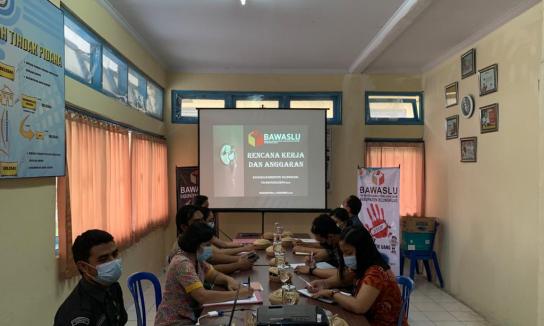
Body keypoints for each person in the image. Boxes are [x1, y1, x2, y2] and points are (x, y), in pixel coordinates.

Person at [155, 222, 253, 325]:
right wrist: (237, 294)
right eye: (207, 245)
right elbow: (203, 296)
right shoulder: (182, 264)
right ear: (196, 244)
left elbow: (214, 275)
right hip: (175, 322)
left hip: (190, 318)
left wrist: (229, 281)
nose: (210, 249)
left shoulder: (197, 259)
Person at [308, 227, 405, 326]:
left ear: (363, 251)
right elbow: (343, 279)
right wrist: (324, 283)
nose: (346, 257)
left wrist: (332, 294)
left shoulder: (375, 273)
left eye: (349, 253)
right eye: (343, 253)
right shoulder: (362, 266)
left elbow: (358, 306)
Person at [54, 230, 127, 326]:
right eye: (103, 259)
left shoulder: (113, 287)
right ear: (84, 267)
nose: (113, 262)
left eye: (114, 254)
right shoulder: (78, 314)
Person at [174, 205, 254, 274]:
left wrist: (240, 259)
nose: (203, 224)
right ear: (184, 227)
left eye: (203, 220)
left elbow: (211, 257)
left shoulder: (195, 241)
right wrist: (238, 265)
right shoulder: (181, 251)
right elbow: (208, 271)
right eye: (197, 222)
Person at [294, 214, 342, 280]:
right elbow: (328, 253)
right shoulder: (333, 241)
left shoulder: (345, 243)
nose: (321, 244)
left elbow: (345, 274)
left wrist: (311, 270)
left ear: (330, 236)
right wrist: (314, 259)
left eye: (321, 241)